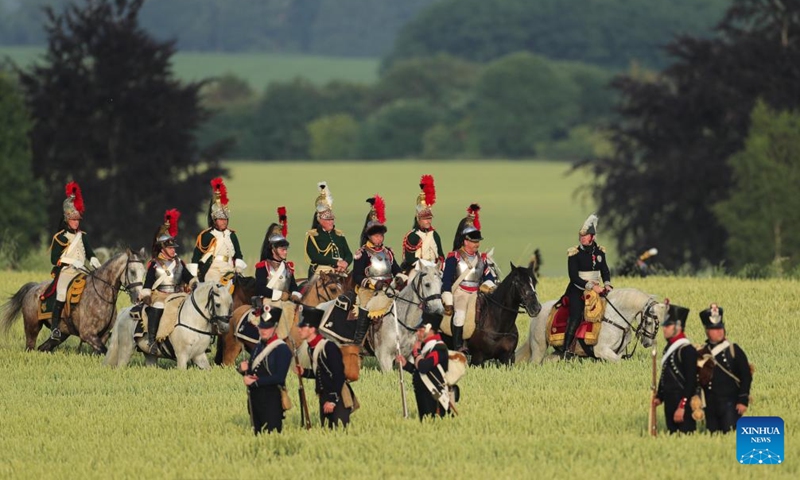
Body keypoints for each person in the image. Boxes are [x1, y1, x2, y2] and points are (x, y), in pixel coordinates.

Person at [47, 181, 102, 340]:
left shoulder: (82, 236)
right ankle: (55, 328)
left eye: (78, 219)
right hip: (67, 271)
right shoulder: (60, 237)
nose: (76, 222)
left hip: (82, 270)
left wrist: (94, 260)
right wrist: (71, 262)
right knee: (62, 293)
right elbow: (54, 259)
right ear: (67, 219)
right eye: (73, 219)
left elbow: (89, 252)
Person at [139, 209, 195, 354]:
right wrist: (145, 294)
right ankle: (152, 341)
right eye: (169, 247)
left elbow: (188, 277)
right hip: (160, 295)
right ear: (162, 249)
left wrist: (194, 283)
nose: (172, 250)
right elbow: (148, 283)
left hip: (177, 294)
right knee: (158, 305)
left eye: (173, 247)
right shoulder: (154, 264)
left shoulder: (179, 263)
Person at [442, 204, 496, 352]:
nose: (476, 244)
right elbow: (446, 279)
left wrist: (490, 284)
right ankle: (458, 345)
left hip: (477, 292)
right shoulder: (455, 257)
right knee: (459, 315)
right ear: (465, 241)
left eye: (478, 241)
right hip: (460, 292)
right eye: (473, 241)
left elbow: (487, 274)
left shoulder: (481, 259)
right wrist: (447, 295)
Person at [352, 195, 404, 346]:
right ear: (369, 236)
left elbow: (396, 269)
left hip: (388, 288)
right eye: (376, 235)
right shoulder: (362, 253)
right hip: (368, 289)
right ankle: (358, 341)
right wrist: (374, 284)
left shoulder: (388, 252)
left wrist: (400, 277)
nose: (379, 238)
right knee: (366, 307)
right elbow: (357, 275)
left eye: (381, 235)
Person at [295, 305, 357, 429]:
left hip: (338, 397)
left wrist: (333, 400)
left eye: (303, 327)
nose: (299, 330)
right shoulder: (311, 348)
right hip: (324, 397)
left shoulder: (329, 347)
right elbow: (321, 372)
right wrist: (304, 372)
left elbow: (338, 374)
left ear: (312, 329)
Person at [562, 214, 612, 359]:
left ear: (593, 237)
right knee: (576, 315)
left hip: (597, 289)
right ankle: (567, 350)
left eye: (585, 235)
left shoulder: (600, 252)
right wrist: (591, 286)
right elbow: (574, 277)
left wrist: (607, 284)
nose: (582, 238)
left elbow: (605, 271)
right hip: (577, 289)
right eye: (581, 235)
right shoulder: (574, 254)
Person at [697, 304, 752, 434]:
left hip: (730, 405)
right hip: (710, 406)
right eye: (715, 329)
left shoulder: (734, 350)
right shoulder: (702, 353)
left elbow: (746, 376)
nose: (719, 331)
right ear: (706, 330)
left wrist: (743, 400)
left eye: (721, 327)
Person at [238, 305, 292, 435]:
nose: (263, 331)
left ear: (275, 328)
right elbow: (252, 370)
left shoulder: (282, 349)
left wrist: (254, 382)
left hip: (272, 399)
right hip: (255, 399)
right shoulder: (258, 347)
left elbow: (279, 377)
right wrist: (242, 369)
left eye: (267, 328)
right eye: (261, 327)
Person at [254, 207, 302, 339]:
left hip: (286, 302)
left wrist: (296, 294)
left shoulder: (287, 268)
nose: (285, 252)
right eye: (282, 249)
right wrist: (280, 295)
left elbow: (292, 286)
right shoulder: (262, 266)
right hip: (269, 301)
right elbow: (260, 288)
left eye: (286, 249)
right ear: (273, 249)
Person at [395, 312, 452, 420]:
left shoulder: (439, 347)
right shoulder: (427, 347)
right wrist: (406, 365)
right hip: (424, 394)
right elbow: (419, 371)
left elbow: (423, 367)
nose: (417, 333)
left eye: (420, 330)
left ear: (429, 330)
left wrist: (416, 353)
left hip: (434, 395)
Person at [189, 177, 246, 282]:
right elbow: (196, 256)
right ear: (214, 220)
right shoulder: (207, 235)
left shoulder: (232, 235)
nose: (224, 221)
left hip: (229, 269)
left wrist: (238, 267)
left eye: (225, 219)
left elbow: (238, 254)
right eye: (220, 219)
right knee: (213, 285)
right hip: (212, 269)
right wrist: (193, 277)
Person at [653, 304, 697, 434]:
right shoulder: (669, 348)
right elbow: (665, 373)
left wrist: (682, 406)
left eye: (668, 326)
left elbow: (691, 381)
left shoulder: (687, 350)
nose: (664, 329)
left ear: (678, 327)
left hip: (683, 403)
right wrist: (660, 396)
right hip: (670, 401)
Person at [304, 181, 353, 278]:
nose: (331, 222)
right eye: (328, 219)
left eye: (332, 219)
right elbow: (315, 256)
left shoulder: (339, 235)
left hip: (341, 271)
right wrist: (336, 262)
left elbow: (348, 253)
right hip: (320, 273)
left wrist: (345, 263)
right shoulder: (313, 235)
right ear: (320, 220)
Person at [401, 175, 444, 271]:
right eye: (425, 218)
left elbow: (441, 255)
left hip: (434, 270)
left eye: (429, 218)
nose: (428, 221)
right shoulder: (412, 235)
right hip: (417, 269)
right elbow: (410, 259)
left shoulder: (435, 234)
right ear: (418, 219)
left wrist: (438, 265)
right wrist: (427, 265)